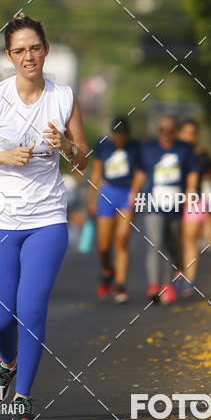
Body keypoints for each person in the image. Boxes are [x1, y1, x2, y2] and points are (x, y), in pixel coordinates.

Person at [0, 14, 89, 420]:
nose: (28, 56)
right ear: (8, 56)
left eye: (35, 48)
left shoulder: (64, 98)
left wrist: (66, 144)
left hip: (46, 218)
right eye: (20, 51)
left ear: (45, 50)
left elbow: (83, 158)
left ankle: (24, 395)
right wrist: (3, 156)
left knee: (31, 309)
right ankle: (8, 360)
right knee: (1, 317)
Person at [131, 115, 199, 304]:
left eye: (169, 131)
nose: (165, 134)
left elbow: (192, 172)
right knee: (155, 243)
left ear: (175, 131)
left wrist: (191, 190)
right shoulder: (149, 149)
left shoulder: (184, 149)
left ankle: (167, 284)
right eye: (162, 131)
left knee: (171, 244)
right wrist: (134, 192)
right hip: (153, 203)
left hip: (176, 204)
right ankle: (154, 285)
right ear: (158, 131)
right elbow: (141, 173)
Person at [88, 116, 140, 303]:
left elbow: (140, 173)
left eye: (122, 136)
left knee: (122, 239)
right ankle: (106, 271)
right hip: (107, 193)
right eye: (117, 135)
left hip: (127, 194)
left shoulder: (135, 147)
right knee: (103, 245)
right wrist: (92, 198)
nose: (119, 139)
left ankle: (120, 284)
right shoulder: (103, 145)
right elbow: (96, 171)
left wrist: (135, 193)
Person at [178, 119, 211, 297]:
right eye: (185, 133)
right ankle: (178, 272)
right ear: (179, 134)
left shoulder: (202, 155)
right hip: (171, 200)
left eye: (192, 134)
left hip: (196, 201)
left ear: (196, 136)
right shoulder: (172, 152)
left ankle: (189, 279)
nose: (188, 137)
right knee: (177, 240)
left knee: (190, 239)